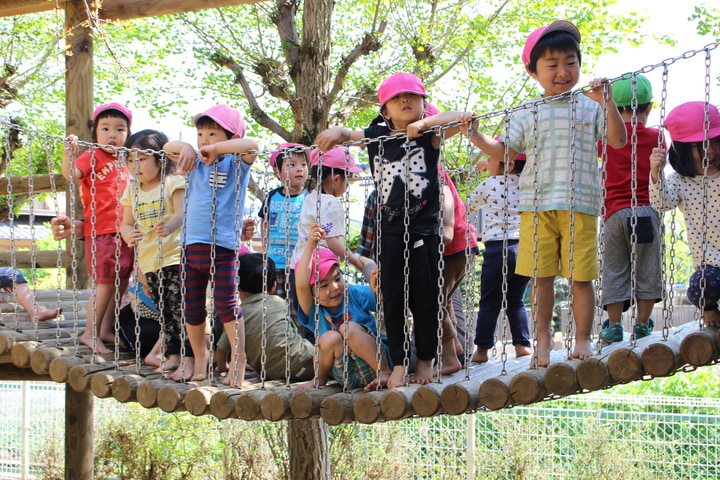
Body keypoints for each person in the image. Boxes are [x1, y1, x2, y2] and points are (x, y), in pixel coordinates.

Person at [451, 21, 627, 366]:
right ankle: (542, 342)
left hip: (582, 205)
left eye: (570, 62)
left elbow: (618, 140)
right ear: (533, 72)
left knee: (581, 277)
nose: (563, 71)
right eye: (552, 65)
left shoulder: (590, 107)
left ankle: (582, 339)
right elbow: (503, 151)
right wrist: (474, 136)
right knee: (541, 279)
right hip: (536, 207)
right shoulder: (526, 113)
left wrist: (608, 101)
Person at [317, 72, 465, 388]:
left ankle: (425, 361)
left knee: (426, 298)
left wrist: (424, 124)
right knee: (392, 298)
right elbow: (350, 134)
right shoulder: (376, 135)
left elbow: (464, 118)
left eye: (413, 96)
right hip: (391, 230)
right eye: (397, 99)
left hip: (424, 229)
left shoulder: (430, 134)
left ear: (424, 104)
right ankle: (398, 363)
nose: (406, 101)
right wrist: (338, 132)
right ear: (385, 111)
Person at [163, 104, 259, 386]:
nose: (204, 139)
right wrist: (188, 149)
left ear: (229, 137)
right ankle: (200, 358)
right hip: (190, 246)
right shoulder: (192, 163)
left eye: (212, 133)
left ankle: (238, 361)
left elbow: (252, 145)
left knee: (226, 306)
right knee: (192, 308)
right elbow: (168, 145)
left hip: (223, 248)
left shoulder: (236, 164)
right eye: (201, 133)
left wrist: (219, 150)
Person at [61, 102, 134, 354]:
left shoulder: (127, 159)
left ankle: (105, 328)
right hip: (101, 230)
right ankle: (90, 332)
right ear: (95, 134)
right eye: (105, 129)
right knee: (105, 281)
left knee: (122, 279)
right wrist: (69, 152)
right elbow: (71, 174)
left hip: (124, 229)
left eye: (119, 129)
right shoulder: (93, 155)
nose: (112, 135)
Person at [598, 74, 663, 344]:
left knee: (614, 268)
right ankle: (641, 324)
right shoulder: (656, 137)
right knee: (647, 265)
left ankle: (613, 325)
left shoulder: (604, 140)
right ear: (648, 108)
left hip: (614, 214)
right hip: (647, 210)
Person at [120, 129, 188, 374]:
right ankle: (170, 354)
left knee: (178, 306)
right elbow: (126, 222)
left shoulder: (172, 182)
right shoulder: (131, 191)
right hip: (149, 261)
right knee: (165, 312)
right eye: (130, 160)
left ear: (161, 159)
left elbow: (182, 212)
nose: (135, 165)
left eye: (141, 159)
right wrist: (128, 233)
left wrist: (169, 225)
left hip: (174, 256)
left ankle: (185, 355)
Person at [295, 225, 392, 391]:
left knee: (348, 328)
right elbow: (302, 286)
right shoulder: (314, 311)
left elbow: (380, 297)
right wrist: (310, 246)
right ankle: (319, 379)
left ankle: (384, 372)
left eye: (337, 278)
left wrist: (378, 283)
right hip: (345, 374)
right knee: (329, 338)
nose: (334, 288)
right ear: (312, 294)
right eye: (323, 285)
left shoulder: (352, 293)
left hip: (372, 362)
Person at [649, 101, 720, 327]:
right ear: (680, 150)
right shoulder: (680, 181)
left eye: (716, 143)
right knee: (702, 285)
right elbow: (661, 203)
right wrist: (656, 173)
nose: (710, 152)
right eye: (699, 146)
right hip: (712, 265)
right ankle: (709, 310)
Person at [465, 151, 532, 363]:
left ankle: (482, 350)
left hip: (497, 250)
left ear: (509, 164)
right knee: (516, 300)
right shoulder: (527, 183)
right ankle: (522, 344)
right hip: (523, 247)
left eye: (491, 157)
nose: (487, 161)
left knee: (489, 302)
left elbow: (469, 205)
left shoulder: (490, 183)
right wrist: (492, 163)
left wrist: (481, 170)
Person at [237, 252, 314, 381]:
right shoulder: (279, 302)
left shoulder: (236, 315)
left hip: (272, 373)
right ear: (273, 286)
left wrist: (222, 365)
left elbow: (223, 348)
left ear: (237, 287)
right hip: (306, 364)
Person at [290, 146, 365, 275]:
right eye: (347, 182)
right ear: (336, 179)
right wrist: (357, 262)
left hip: (299, 266)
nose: (346, 187)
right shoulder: (332, 203)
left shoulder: (310, 197)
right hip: (320, 269)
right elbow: (332, 241)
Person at [258, 142, 309, 332]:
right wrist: (265, 249)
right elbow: (264, 222)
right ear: (277, 171)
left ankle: (302, 348)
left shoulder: (309, 196)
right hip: (276, 263)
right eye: (291, 165)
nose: (299, 169)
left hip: (299, 265)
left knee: (300, 309)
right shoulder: (272, 197)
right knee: (278, 308)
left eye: (303, 164)